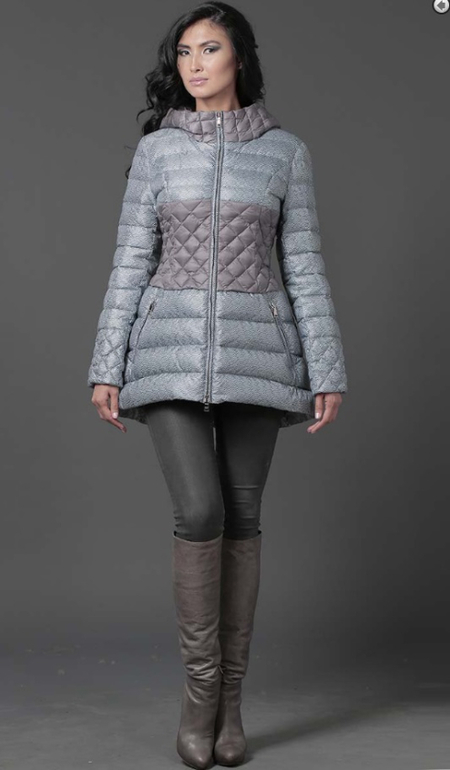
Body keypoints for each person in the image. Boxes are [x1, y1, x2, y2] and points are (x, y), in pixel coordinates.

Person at [87, 2, 348, 767]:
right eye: (184, 52)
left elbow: (304, 264)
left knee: (243, 516)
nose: (194, 64)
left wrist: (327, 366)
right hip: (165, 352)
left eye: (209, 49)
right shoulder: (158, 152)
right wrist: (106, 362)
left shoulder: (286, 153)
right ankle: (199, 697)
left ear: (240, 58)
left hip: (259, 355)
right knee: (199, 512)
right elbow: (130, 260)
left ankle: (231, 704)